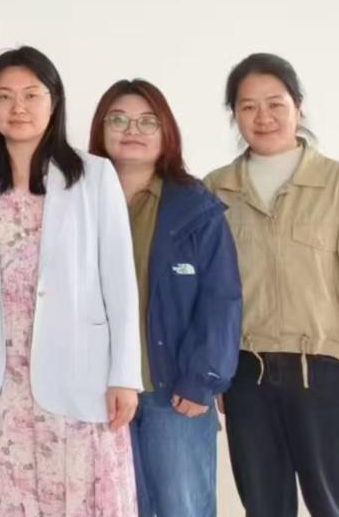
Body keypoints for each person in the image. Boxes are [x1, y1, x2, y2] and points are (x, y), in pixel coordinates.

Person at [205, 55, 339, 517]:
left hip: (327, 377)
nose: (263, 117)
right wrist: (211, 371)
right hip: (246, 378)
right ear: (234, 115)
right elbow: (204, 294)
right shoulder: (214, 192)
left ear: (298, 106)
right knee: (264, 507)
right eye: (248, 106)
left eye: (275, 103)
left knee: (336, 507)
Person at [0, 47, 140, 517]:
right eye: (4, 96)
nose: (17, 107)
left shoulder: (94, 176)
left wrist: (125, 375)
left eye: (31, 95)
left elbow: (120, 282)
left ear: (54, 101)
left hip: (78, 375)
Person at [88, 80, 241, 517]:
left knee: (182, 508)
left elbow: (221, 299)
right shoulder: (77, 201)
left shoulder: (196, 208)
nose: (131, 130)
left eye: (147, 121)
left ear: (166, 131)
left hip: (173, 391)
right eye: (118, 119)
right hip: (96, 392)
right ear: (100, 128)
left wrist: (201, 380)